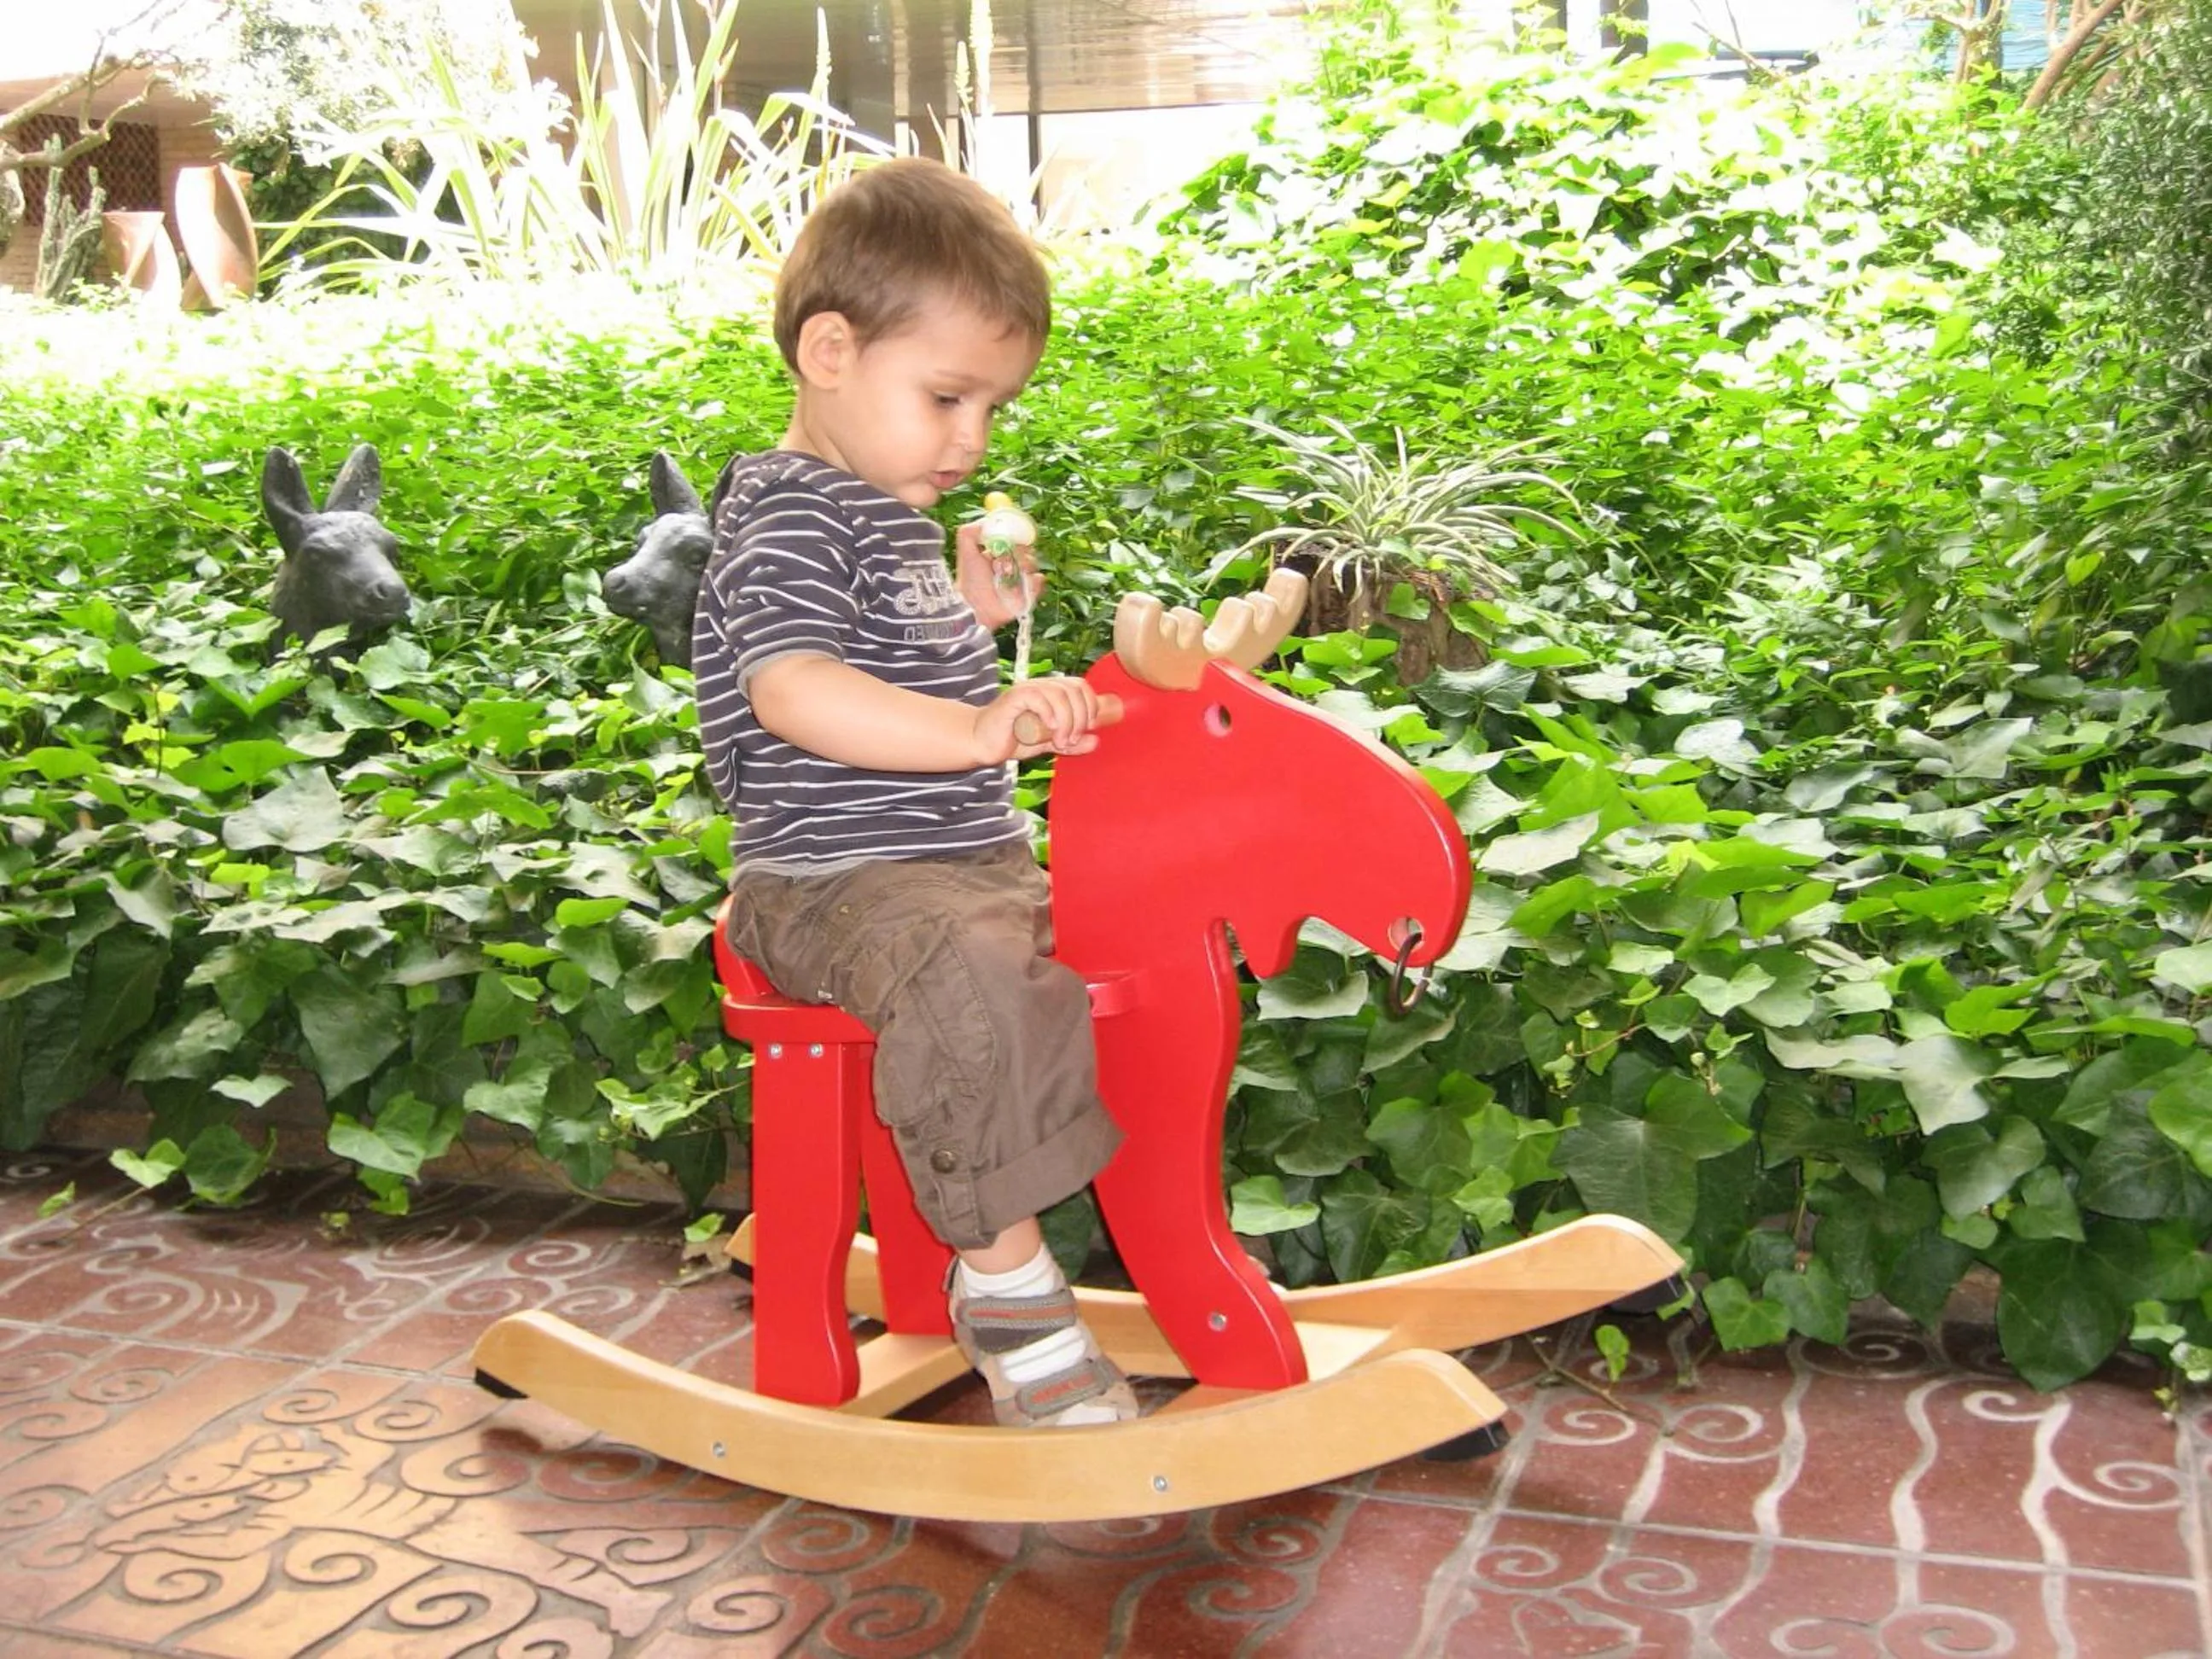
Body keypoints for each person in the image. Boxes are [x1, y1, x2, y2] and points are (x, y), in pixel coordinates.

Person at [691, 157, 1137, 1429]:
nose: (974, 438)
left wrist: (978, 615)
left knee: (1133, 944)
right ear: (829, 351)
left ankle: (1125, 1235)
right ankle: (1005, 1287)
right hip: (836, 888)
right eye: (947, 397)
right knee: (972, 982)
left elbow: (904, 669)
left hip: (956, 871)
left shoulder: (878, 515)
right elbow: (797, 695)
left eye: (993, 407)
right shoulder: (789, 520)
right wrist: (979, 728)